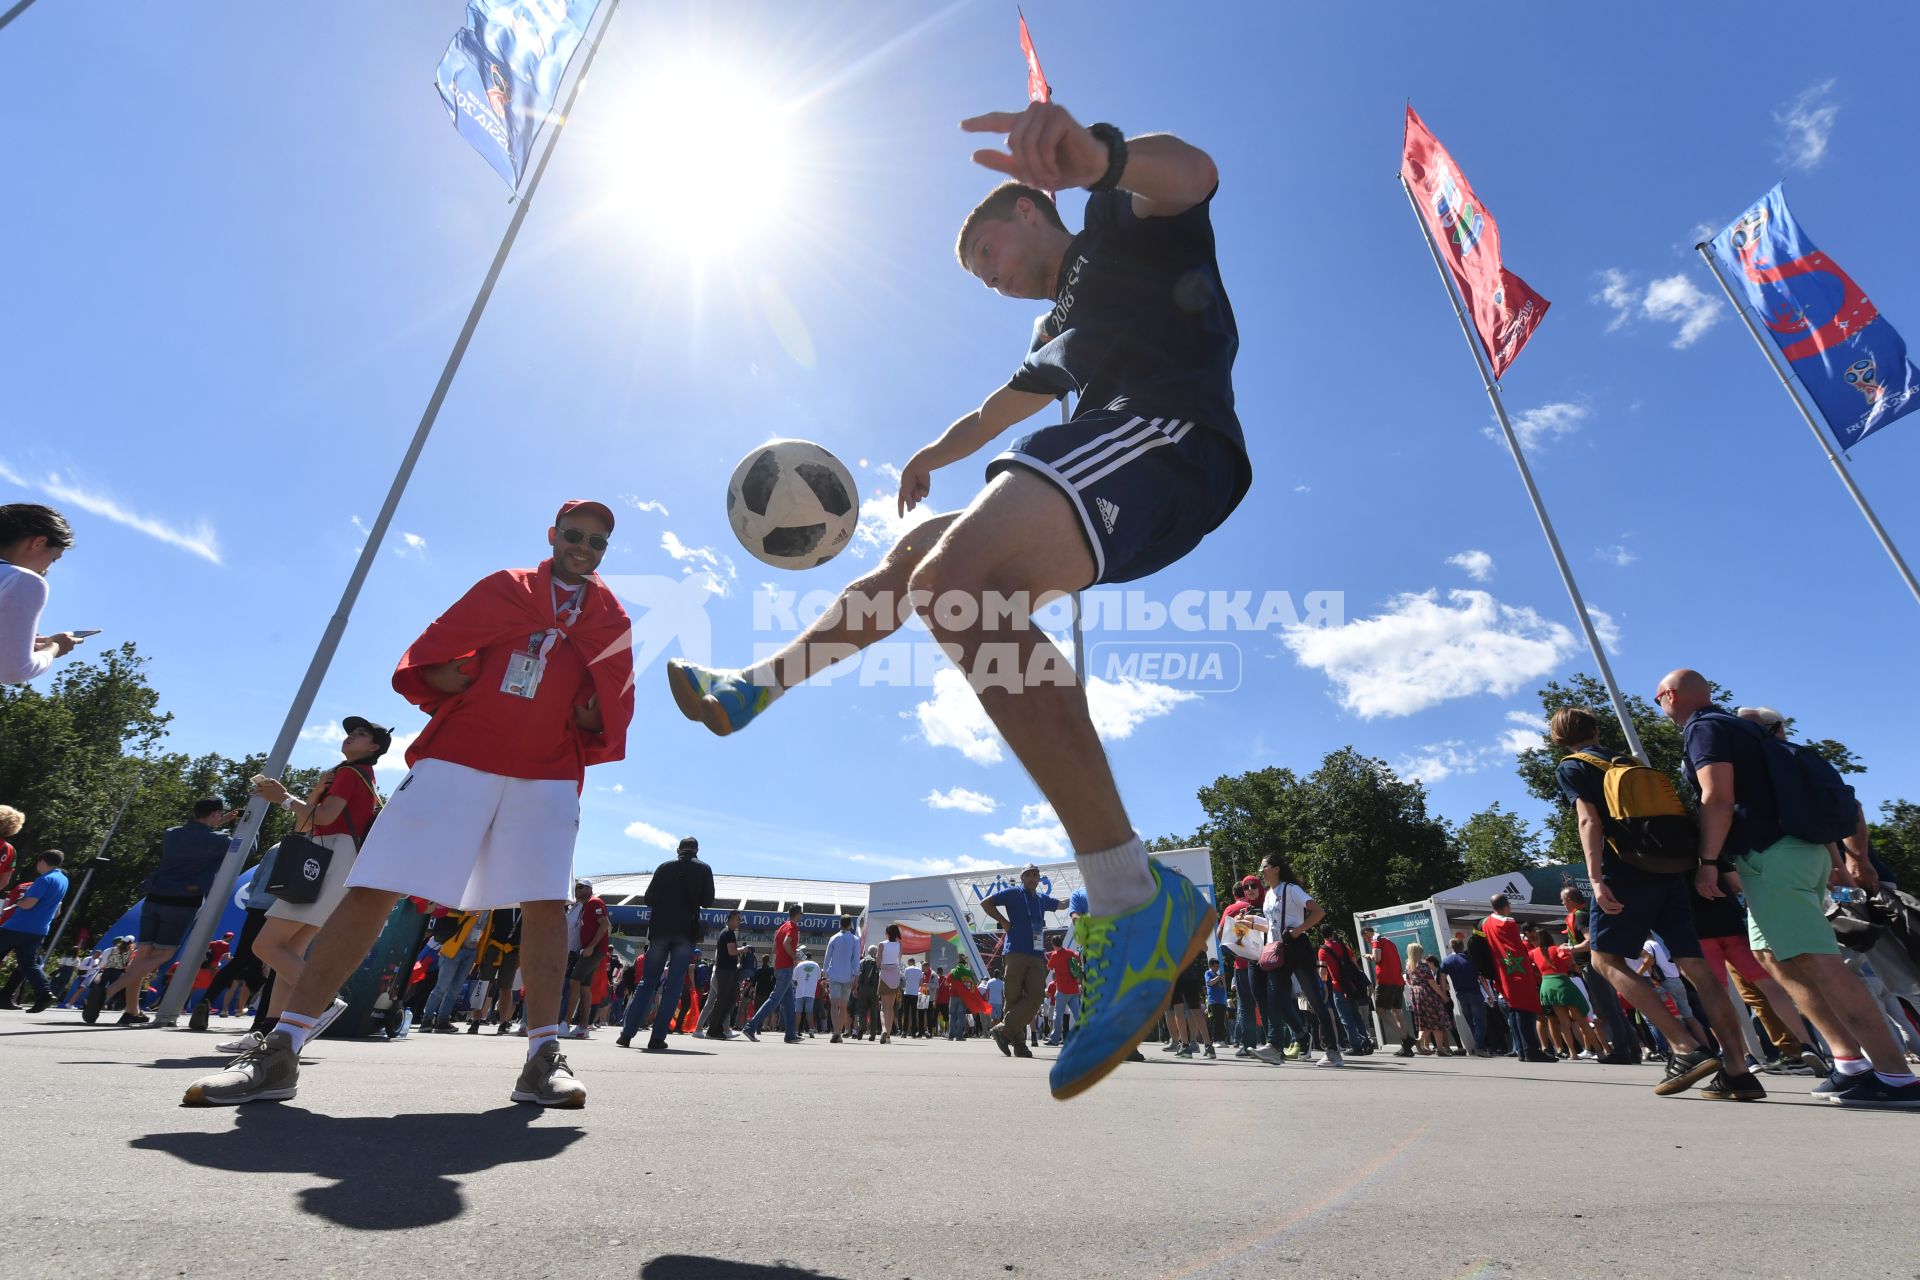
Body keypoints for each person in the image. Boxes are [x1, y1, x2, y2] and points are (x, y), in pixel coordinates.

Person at [667, 102, 1240, 1099]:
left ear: (1032, 202)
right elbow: (1002, 406)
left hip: (1168, 434)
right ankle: (756, 687)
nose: (986, 271)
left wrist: (1100, 157)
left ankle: (1130, 893)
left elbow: (1193, 173)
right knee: (923, 561)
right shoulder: (1057, 321)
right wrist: (938, 451)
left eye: (989, 246)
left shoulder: (1114, 221)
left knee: (954, 583)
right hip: (1107, 455)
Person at [183, 500, 635, 1108]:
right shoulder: (505, 587)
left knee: (547, 905)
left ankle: (542, 1056)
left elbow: (610, 704)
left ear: (606, 550)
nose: (584, 547)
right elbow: (435, 657)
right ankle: (281, 1048)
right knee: (374, 886)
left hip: (547, 770)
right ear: (553, 536)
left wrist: (590, 715)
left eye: (597, 542)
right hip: (459, 756)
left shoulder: (610, 617)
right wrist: (464, 676)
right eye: (575, 536)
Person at [1656, 671, 1918, 1109]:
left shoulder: (1704, 728)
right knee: (1772, 956)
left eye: (1658, 699)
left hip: (1771, 855)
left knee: (1817, 960)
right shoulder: (1748, 731)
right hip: (1792, 852)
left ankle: (1896, 1076)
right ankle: (1850, 1064)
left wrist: (1707, 862)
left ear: (1670, 696)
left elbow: (1715, 797)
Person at [1551, 704, 1765, 1101]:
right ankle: (1739, 1070)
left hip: (1626, 869)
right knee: (1696, 967)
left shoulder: (1572, 767)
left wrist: (1596, 880)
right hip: (1671, 868)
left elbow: (1589, 822)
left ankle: (1684, 1047)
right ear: (1597, 730)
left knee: (1605, 960)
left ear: (1558, 738)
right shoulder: (1630, 762)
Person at [218, 719, 388, 1045]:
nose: (351, 736)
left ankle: (323, 1001)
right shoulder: (350, 775)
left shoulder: (352, 774)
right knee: (291, 949)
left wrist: (283, 798)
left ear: (373, 747)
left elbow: (320, 820)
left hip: (325, 862)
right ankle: (270, 1030)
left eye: (361, 734)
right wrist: (315, 790)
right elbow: (308, 822)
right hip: (335, 861)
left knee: (265, 945)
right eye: (351, 732)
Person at [90, 798, 242, 1025]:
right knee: (164, 954)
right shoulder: (219, 841)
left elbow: (195, 837)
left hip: (154, 896)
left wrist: (217, 822)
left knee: (143, 956)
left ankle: (132, 1010)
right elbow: (239, 847)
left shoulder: (172, 833)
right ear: (215, 814)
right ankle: (109, 992)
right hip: (182, 900)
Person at [618, 835, 716, 1050]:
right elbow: (708, 901)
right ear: (696, 850)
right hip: (684, 933)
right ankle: (657, 1037)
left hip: (660, 930)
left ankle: (627, 1033)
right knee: (674, 985)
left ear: (678, 849)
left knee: (647, 982)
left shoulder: (664, 867)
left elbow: (649, 898)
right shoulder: (704, 869)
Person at [1249, 852, 1343, 1068]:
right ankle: (1274, 1047)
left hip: (1296, 947)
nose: (1261, 870)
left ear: (1276, 868)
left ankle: (1332, 1050)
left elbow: (1318, 911)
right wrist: (1252, 923)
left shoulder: (1291, 889)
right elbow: (1272, 925)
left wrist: (1299, 930)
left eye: (1264, 866)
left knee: (1315, 999)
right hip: (1279, 949)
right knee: (1275, 998)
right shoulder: (1269, 894)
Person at [979, 863, 1066, 1059]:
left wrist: (1079, 897)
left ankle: (1003, 1029)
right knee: (1013, 997)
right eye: (1028, 875)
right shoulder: (1012, 893)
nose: (1032, 878)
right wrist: (1003, 921)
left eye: (1035, 875)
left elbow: (1061, 904)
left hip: (1036, 954)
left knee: (1036, 996)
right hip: (1015, 951)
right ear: (1022, 878)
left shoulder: (1042, 899)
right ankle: (1019, 1044)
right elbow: (986, 903)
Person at [0, 503, 87, 684]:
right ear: (39, 542)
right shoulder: (24, 580)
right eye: (53, 559)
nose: (46, 570)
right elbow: (14, 671)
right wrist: (53, 648)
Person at [1559, 886, 1639, 1063]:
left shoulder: (1580, 916)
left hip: (1593, 966)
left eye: (1563, 900)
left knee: (1607, 1010)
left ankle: (1621, 1051)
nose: (1562, 903)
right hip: (1596, 965)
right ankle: (1633, 1050)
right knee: (1614, 1009)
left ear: (1570, 900)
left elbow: (1590, 941)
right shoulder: (1585, 913)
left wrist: (1570, 948)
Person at [0, 850, 67, 1011]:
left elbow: (29, 903)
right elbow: (56, 909)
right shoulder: (63, 879)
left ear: (42, 861)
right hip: (39, 930)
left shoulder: (44, 879)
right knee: (29, 964)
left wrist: (19, 901)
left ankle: (9, 997)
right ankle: (45, 994)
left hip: (17, 926)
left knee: (26, 963)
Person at [1529, 927, 1602, 1060]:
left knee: (1563, 1022)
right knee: (1582, 1020)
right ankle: (1599, 1051)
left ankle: (1572, 1053)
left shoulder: (1533, 953)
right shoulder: (1559, 949)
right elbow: (1570, 965)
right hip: (1563, 984)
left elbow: (1528, 966)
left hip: (1546, 985)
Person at [745, 904, 804, 1044]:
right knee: (774, 999)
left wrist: (784, 957)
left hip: (779, 967)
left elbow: (774, 948)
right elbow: (786, 943)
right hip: (786, 968)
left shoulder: (781, 927)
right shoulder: (793, 927)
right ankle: (750, 1027)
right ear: (798, 914)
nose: (801, 917)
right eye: (801, 915)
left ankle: (790, 1034)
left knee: (789, 1003)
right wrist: (794, 957)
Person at [1316, 927, 1374, 1055]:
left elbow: (1323, 971)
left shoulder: (1322, 950)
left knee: (1346, 1018)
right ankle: (1366, 1041)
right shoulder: (1344, 946)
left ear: (1322, 935)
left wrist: (1324, 985)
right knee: (1356, 1015)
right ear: (1333, 933)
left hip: (1338, 986)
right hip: (1352, 986)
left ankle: (1356, 1046)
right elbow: (1355, 965)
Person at [1362, 926, 1414, 1057]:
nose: (1368, 941)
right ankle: (1407, 1047)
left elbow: (1377, 958)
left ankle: (1406, 1039)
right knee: (1397, 1012)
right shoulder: (1389, 941)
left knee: (1380, 1010)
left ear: (1368, 933)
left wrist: (1368, 956)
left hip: (1386, 980)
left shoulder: (1376, 939)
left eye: (1366, 938)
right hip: (1397, 981)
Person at [1440, 937, 1490, 1055]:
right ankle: (1480, 1047)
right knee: (1480, 1021)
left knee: (1470, 1020)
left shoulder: (1446, 961)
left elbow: (1442, 979)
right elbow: (1481, 978)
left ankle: (1478, 1046)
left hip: (1460, 994)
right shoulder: (1470, 958)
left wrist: (1444, 993)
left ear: (1451, 947)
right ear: (1462, 947)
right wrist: (1488, 994)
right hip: (1475, 992)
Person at [1403, 943, 1454, 1056]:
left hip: (1416, 994)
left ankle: (1419, 1042)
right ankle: (1440, 1049)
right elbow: (1432, 983)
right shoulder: (1423, 966)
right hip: (1427, 993)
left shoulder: (1408, 965)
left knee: (1425, 1022)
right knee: (1437, 1020)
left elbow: (1409, 982)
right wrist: (1443, 995)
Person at [705, 910, 744, 1040]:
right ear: (731, 919)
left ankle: (717, 1027)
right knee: (722, 1000)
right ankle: (712, 1030)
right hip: (725, 971)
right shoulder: (728, 933)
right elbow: (732, 951)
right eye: (738, 919)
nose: (739, 921)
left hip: (727, 971)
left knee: (731, 998)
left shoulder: (727, 932)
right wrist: (743, 949)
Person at [823, 914, 860, 1044]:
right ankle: (839, 1032)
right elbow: (856, 960)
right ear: (850, 924)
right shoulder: (855, 939)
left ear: (840, 924)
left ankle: (836, 1032)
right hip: (848, 976)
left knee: (834, 1005)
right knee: (844, 1006)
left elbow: (827, 956)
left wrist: (825, 972)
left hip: (834, 974)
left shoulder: (834, 938)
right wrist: (856, 976)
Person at [1043, 932, 1082, 1046]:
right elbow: (1078, 960)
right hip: (1074, 989)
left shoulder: (1055, 955)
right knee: (1077, 1014)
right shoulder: (1070, 952)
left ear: (1053, 944)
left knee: (1057, 1016)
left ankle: (1054, 1039)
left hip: (1062, 991)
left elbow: (1049, 967)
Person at [791, 949, 821, 1040]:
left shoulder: (799, 965)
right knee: (809, 1011)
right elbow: (819, 977)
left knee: (798, 1012)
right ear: (811, 958)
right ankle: (811, 1030)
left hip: (800, 991)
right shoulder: (816, 965)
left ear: (805, 957)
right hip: (810, 991)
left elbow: (794, 978)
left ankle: (796, 1030)